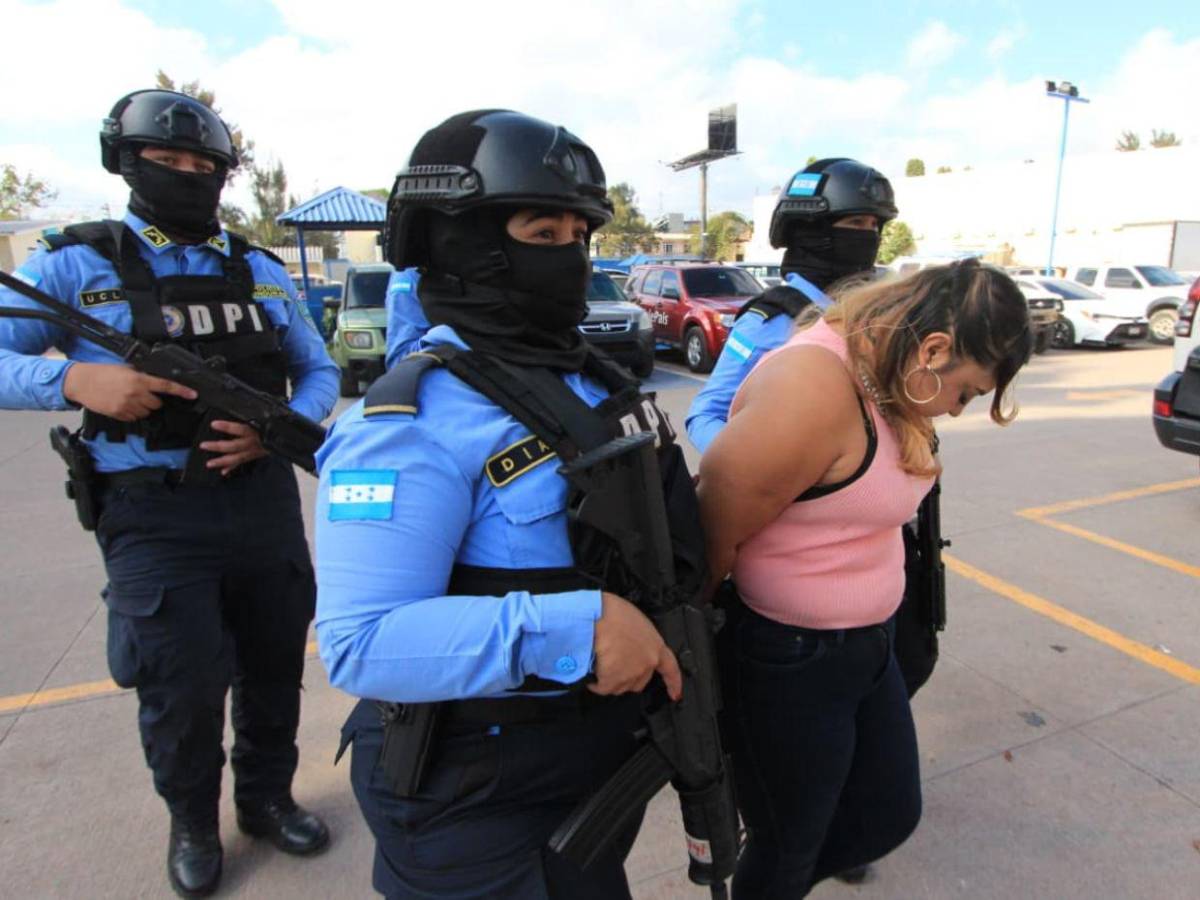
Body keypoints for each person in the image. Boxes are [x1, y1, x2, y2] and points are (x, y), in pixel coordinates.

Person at [316, 109, 704, 899]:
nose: (567, 256)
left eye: (578, 235)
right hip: (476, 796)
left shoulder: (593, 380)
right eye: (541, 232)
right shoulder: (407, 424)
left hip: (589, 761)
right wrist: (572, 624)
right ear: (452, 241)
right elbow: (359, 643)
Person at [0, 89, 337, 897]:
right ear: (126, 164)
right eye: (167, 162)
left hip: (259, 501)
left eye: (203, 166)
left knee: (271, 663)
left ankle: (265, 800)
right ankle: (192, 821)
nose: (188, 176)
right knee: (180, 686)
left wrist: (282, 426)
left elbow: (319, 369)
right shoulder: (72, 262)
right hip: (151, 513)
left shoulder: (255, 268)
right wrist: (76, 378)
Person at [698, 259, 1032, 898]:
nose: (960, 410)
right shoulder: (814, 387)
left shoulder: (891, 378)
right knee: (789, 842)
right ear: (934, 349)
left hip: (865, 644)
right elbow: (715, 530)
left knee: (885, 813)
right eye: (966, 392)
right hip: (788, 659)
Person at [685, 157, 896, 452]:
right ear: (811, 231)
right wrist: (756, 468)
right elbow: (705, 415)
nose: (869, 236)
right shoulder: (770, 321)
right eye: (856, 223)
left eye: (875, 225)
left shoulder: (870, 316)